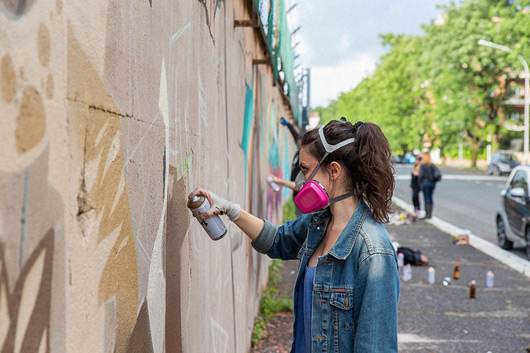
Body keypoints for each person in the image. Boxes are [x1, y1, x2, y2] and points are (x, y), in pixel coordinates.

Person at [190, 118, 399, 352]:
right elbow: (277, 240)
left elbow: (376, 345)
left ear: (334, 170)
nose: (300, 182)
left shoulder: (373, 250)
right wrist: (232, 210)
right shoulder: (319, 223)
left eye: (306, 169)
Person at [418, 151, 436, 219]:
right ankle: (430, 214)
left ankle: (427, 214)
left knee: (426, 198)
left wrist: (420, 184)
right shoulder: (432, 165)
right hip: (432, 183)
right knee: (430, 198)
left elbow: (420, 175)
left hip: (425, 183)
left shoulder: (423, 165)